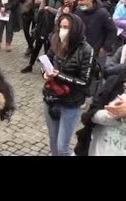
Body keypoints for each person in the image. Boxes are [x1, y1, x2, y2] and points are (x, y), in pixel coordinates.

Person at [42, 13, 94, 156]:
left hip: (71, 102)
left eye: (66, 27)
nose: (63, 30)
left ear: (75, 29)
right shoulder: (55, 40)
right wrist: (44, 73)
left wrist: (60, 76)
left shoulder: (86, 50)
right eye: (61, 27)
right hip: (51, 98)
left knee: (62, 146)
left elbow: (84, 82)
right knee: (53, 140)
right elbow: (47, 59)